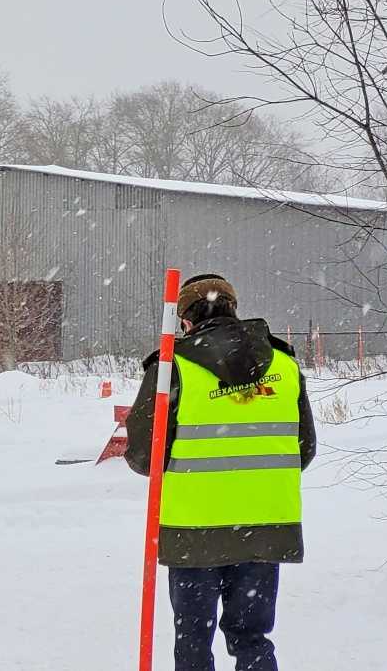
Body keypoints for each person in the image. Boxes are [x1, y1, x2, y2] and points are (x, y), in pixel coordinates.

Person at [125, 274, 316, 671]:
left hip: (194, 532)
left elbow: (144, 455)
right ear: (233, 309)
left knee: (194, 642)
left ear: (187, 322)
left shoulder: (171, 368)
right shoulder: (283, 364)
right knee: (253, 638)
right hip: (265, 527)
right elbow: (304, 448)